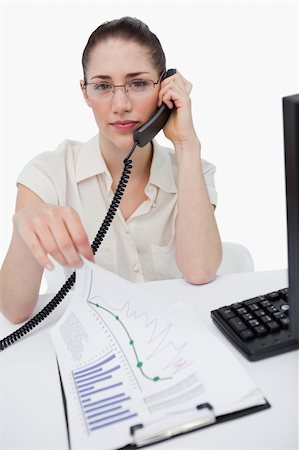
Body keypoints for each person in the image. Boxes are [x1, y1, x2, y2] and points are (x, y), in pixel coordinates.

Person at [0, 16, 222, 324]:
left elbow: (200, 271)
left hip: (172, 339)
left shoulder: (192, 170)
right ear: (85, 93)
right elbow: (13, 310)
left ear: (165, 90)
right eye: (103, 86)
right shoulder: (48, 173)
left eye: (138, 83)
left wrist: (187, 144)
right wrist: (25, 229)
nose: (120, 104)